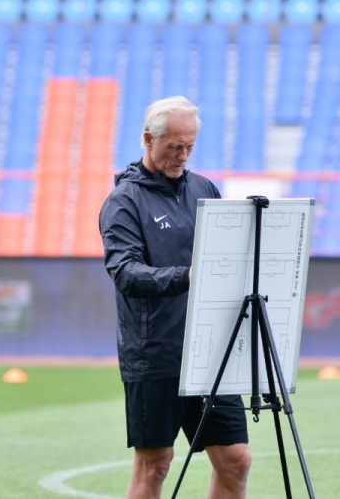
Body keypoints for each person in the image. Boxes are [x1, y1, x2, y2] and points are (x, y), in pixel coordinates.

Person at [98, 96, 251, 499]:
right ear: (149, 140)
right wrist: (187, 276)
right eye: (174, 146)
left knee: (236, 459)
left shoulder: (204, 189)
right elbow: (125, 273)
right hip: (155, 353)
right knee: (155, 465)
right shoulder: (123, 202)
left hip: (210, 350)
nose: (182, 156)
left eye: (189, 147)